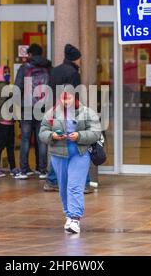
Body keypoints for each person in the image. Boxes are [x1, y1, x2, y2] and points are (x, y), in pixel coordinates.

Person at [39, 88, 102, 233]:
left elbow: (95, 132)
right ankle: (68, 214)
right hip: (58, 155)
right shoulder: (52, 113)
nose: (65, 101)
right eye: (63, 98)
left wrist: (79, 136)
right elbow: (42, 132)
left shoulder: (86, 112)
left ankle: (75, 218)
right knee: (63, 186)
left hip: (79, 154)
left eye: (68, 98)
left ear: (75, 97)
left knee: (74, 186)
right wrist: (53, 135)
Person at [44, 44, 93, 194]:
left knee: (60, 147)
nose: (81, 61)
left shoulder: (55, 70)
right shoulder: (73, 73)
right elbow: (73, 94)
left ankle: (52, 180)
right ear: (75, 59)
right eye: (80, 58)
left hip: (55, 112)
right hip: (69, 114)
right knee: (78, 147)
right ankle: (83, 183)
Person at [14, 44, 51, 180]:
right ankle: (42, 170)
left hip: (27, 108)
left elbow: (17, 88)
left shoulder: (24, 68)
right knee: (41, 139)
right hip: (42, 108)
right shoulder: (47, 67)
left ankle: (24, 171)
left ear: (30, 55)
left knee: (25, 139)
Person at [0, 66, 17, 177]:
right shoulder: (1, 87)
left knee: (10, 145)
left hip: (8, 120)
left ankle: (13, 167)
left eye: (8, 72)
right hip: (2, 120)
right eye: (5, 72)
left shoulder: (6, 86)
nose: (7, 74)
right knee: (1, 144)